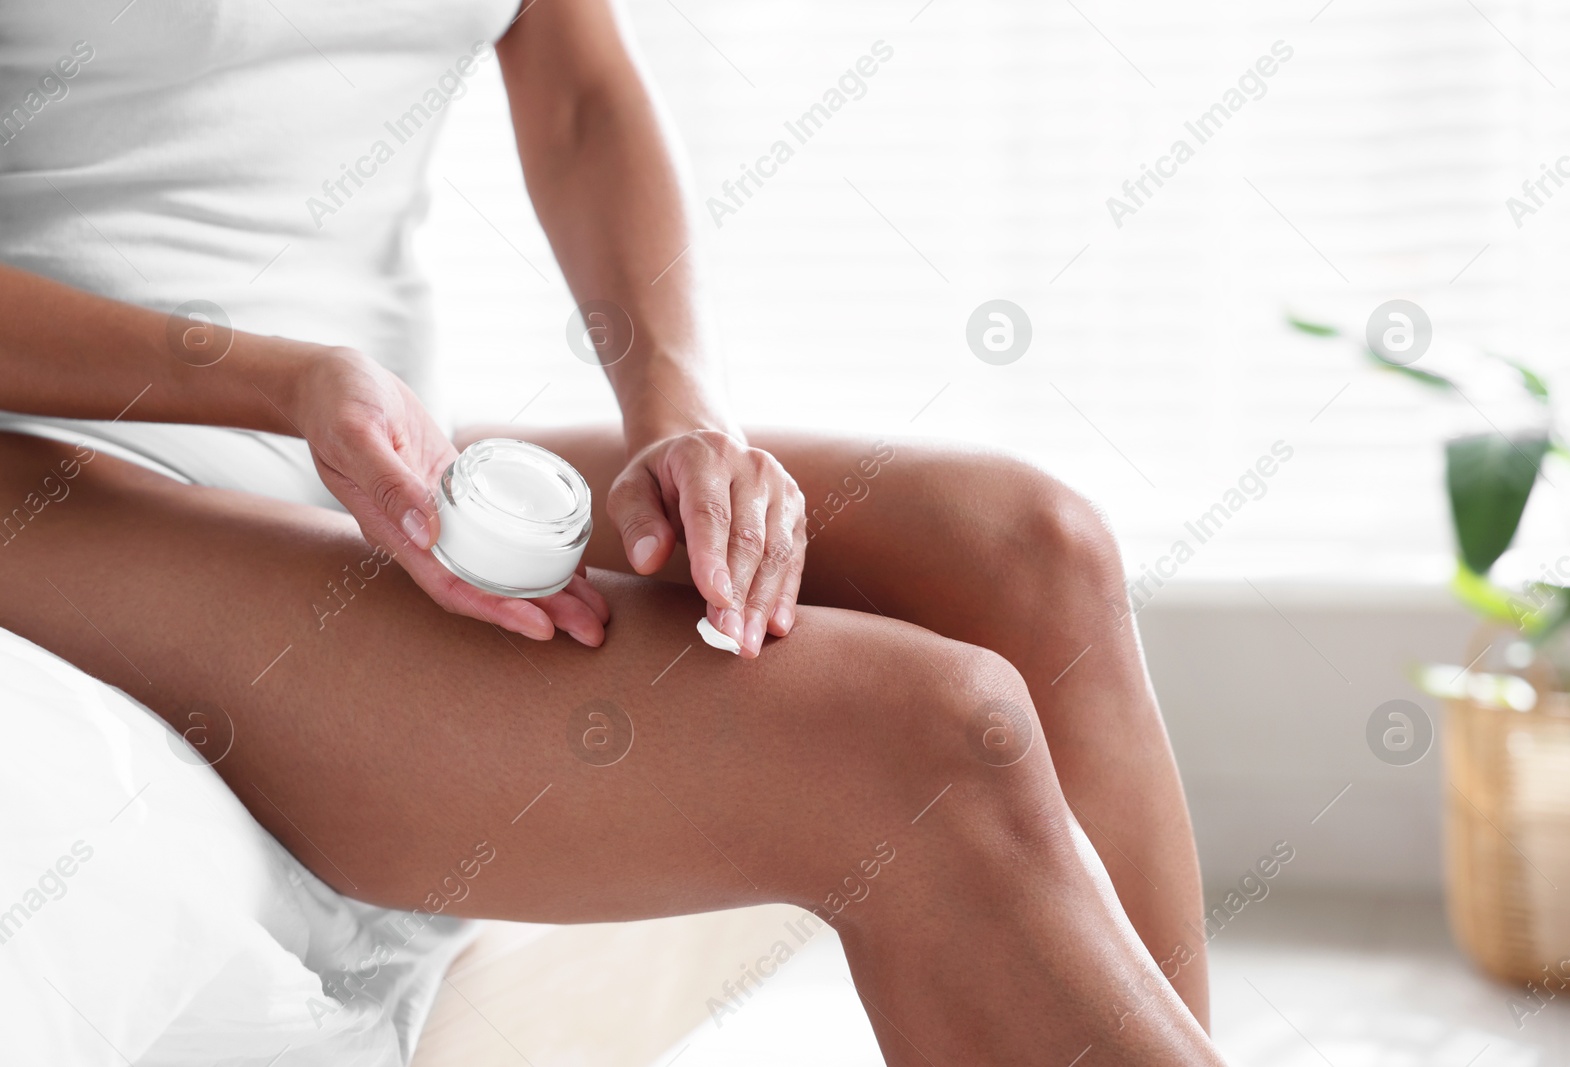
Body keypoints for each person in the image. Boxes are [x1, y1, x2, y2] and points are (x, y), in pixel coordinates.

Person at [0, 1, 1223, 1062]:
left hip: (363, 423)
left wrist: (678, 415)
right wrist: (278, 382)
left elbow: (582, 95)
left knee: (1035, 548)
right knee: (928, 733)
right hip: (66, 460)